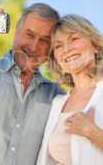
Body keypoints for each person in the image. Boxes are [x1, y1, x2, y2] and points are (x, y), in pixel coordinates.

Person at [0, 0, 64, 165]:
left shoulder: (57, 96)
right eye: (30, 34)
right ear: (16, 31)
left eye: (45, 40)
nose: (34, 46)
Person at [37, 14, 103, 165]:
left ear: (95, 45)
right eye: (58, 46)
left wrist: (91, 132)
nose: (66, 49)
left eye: (74, 39)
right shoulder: (57, 103)